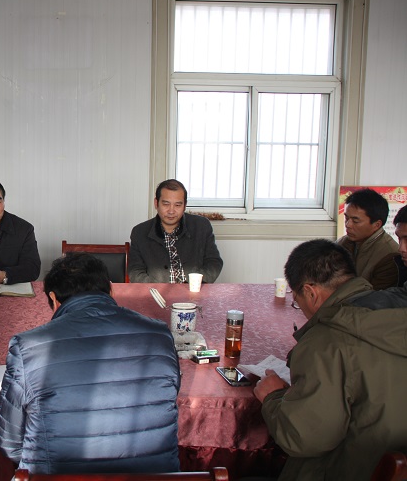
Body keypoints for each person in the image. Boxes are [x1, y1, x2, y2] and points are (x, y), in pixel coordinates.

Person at [0, 253, 180, 474]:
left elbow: (10, 443)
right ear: (111, 289)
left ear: (53, 299)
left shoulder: (27, 346)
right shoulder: (160, 334)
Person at [253, 239, 407, 480]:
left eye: (297, 301)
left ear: (311, 292)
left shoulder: (324, 343)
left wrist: (272, 397)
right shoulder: (393, 310)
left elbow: (304, 438)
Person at [128, 179, 223, 283]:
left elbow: (214, 262)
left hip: (194, 290)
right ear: (156, 203)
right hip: (156, 292)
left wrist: (196, 283)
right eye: (166, 204)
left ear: (185, 205)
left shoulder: (201, 226)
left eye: (177, 205)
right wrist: (156, 289)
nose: (171, 211)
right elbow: (135, 271)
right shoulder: (139, 232)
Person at [336, 188, 399, 289]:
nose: (348, 225)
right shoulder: (343, 242)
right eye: (346, 218)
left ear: (376, 225)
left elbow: (375, 295)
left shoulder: (389, 255)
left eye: (355, 221)